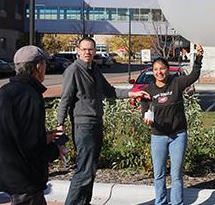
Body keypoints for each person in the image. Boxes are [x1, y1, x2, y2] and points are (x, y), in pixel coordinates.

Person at [57, 37, 149, 205]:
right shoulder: (73, 70)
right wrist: (60, 123)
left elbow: (110, 91)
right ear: (78, 51)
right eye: (84, 49)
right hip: (83, 125)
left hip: (96, 123)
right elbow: (65, 99)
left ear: (94, 51)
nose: (87, 52)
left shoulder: (94, 70)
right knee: (84, 170)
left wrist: (133, 94)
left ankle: (84, 202)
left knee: (90, 169)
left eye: (91, 49)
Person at [0, 45, 63, 205]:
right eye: (45, 64)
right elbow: (31, 145)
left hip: (8, 172)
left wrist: (46, 136)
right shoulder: (30, 95)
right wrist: (55, 151)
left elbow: (14, 133)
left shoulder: (3, 92)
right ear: (38, 67)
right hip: (25, 177)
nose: (46, 68)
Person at [140, 44, 203, 205]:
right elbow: (145, 113)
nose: (159, 72)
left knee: (176, 175)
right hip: (158, 137)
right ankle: (160, 202)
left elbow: (194, 75)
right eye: (156, 69)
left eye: (162, 68)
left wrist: (198, 58)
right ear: (152, 71)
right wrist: (146, 119)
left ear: (167, 69)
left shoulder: (176, 83)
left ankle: (177, 203)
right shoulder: (148, 91)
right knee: (159, 174)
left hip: (178, 136)